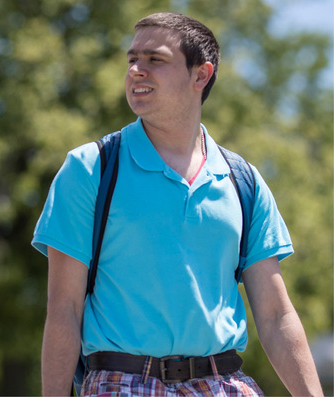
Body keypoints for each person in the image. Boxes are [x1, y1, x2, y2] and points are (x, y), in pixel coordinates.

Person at [32, 12, 323, 397]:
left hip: (225, 384)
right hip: (121, 384)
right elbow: (64, 311)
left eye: (155, 60)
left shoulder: (243, 181)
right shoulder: (91, 169)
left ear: (201, 75)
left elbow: (275, 316)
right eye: (132, 59)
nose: (136, 70)